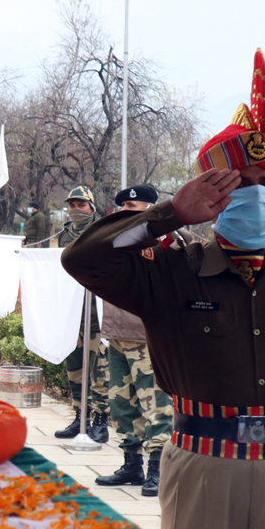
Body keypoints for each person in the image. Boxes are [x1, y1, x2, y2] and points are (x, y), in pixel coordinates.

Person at [62, 49, 265, 529]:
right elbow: (82, 258)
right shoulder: (172, 272)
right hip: (204, 465)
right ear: (210, 195)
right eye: (237, 184)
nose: (255, 193)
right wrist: (171, 214)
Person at [94, 185, 176, 497]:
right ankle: (131, 464)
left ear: (151, 208)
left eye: (133, 206)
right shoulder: (116, 237)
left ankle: (157, 467)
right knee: (121, 404)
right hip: (116, 331)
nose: (125, 210)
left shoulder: (165, 238)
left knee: (155, 405)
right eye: (124, 206)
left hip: (146, 334)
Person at [53, 185, 109, 443]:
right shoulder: (64, 235)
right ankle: (80, 417)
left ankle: (101, 421)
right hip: (71, 314)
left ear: (91, 207)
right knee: (75, 369)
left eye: (81, 205)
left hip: (96, 315)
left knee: (99, 372)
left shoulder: (103, 231)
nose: (76, 210)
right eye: (72, 205)